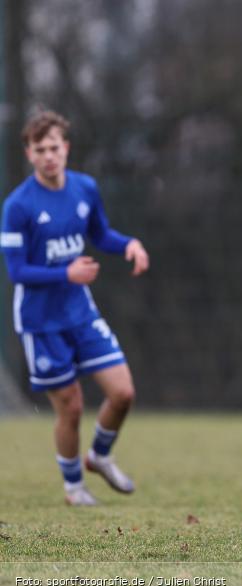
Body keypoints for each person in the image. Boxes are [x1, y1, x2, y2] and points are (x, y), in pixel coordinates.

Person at [1, 111, 150, 506]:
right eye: (40, 150)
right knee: (71, 407)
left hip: (81, 313)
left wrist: (128, 245)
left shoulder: (85, 188)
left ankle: (98, 456)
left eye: (55, 147)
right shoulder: (18, 206)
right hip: (40, 322)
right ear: (29, 154)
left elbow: (100, 234)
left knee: (123, 393)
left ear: (66, 148)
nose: (49, 156)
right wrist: (66, 273)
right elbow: (17, 271)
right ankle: (73, 488)